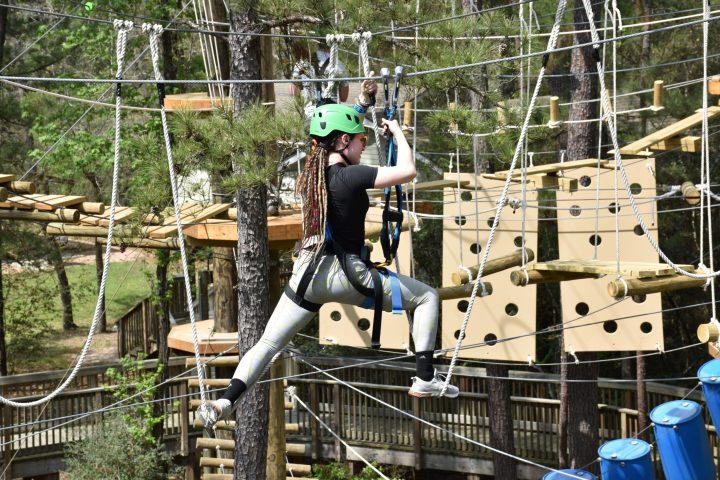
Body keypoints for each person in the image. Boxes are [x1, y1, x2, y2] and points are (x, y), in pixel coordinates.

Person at [198, 84, 459, 427]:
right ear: (341, 142)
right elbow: (408, 171)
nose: (363, 143)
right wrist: (396, 131)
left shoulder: (312, 172)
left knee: (268, 342)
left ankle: (223, 403)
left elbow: (333, 133)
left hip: (308, 273)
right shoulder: (351, 176)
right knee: (426, 297)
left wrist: (362, 106)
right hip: (344, 274)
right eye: (359, 139)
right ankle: (425, 377)